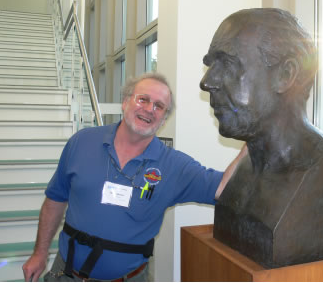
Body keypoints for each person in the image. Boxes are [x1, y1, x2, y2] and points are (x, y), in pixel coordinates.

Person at [22, 72, 247, 281]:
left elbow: (222, 189)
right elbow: (55, 199)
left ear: (164, 119)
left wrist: (250, 144)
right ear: (125, 101)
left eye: (159, 106)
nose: (150, 109)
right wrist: (39, 253)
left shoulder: (174, 166)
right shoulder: (82, 142)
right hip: (66, 273)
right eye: (143, 99)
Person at [200, 8, 323, 268]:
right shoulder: (247, 165)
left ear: (285, 74)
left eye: (227, 63)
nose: (207, 82)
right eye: (211, 65)